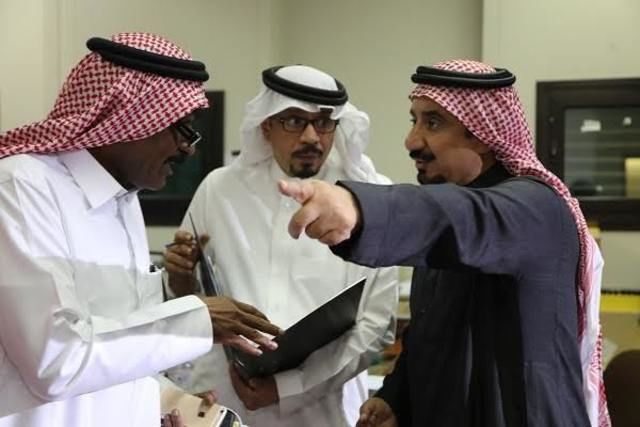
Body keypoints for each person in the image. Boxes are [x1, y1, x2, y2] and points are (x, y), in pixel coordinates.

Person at [278, 59, 610, 427]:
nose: (412, 141)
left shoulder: (533, 209)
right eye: (414, 121)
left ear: (481, 134)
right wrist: (397, 398)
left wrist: (357, 207)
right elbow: (433, 332)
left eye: (433, 123)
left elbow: (461, 216)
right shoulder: (451, 213)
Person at [0, 32, 280, 426]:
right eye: (181, 128)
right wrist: (197, 321)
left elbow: (120, 341)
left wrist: (161, 398)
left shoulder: (124, 201)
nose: (189, 148)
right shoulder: (22, 187)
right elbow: (57, 359)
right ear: (127, 116)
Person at [164, 64, 398, 427]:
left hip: (320, 410)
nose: (311, 137)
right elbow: (185, 301)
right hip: (222, 402)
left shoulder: (369, 198)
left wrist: (286, 387)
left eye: (323, 123)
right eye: (293, 121)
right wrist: (179, 277)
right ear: (266, 126)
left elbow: (376, 325)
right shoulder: (220, 189)